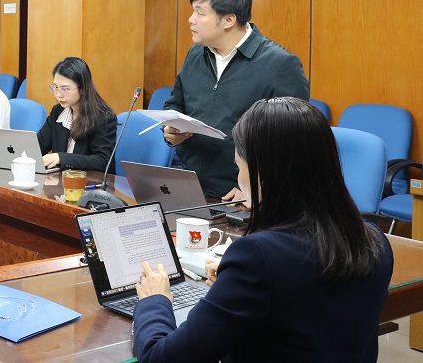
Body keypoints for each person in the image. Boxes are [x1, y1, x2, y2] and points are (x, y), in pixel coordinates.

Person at [133, 97, 393, 362]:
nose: (239, 179)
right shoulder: (374, 241)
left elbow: (160, 358)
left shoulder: (258, 257)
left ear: (263, 173)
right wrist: (236, 285)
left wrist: (155, 300)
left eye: (239, 167)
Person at [162, 0, 309, 200]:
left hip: (240, 195)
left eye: (200, 13)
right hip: (191, 186)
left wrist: (258, 190)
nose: (191, 20)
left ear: (229, 20)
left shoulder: (280, 64)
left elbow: (294, 142)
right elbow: (175, 103)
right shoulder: (196, 54)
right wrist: (170, 130)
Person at [37, 57, 117, 172]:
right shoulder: (58, 111)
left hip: (89, 181)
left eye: (65, 89)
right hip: (61, 179)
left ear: (82, 88)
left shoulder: (104, 118)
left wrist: (61, 158)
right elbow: (39, 145)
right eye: (55, 87)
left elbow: (103, 162)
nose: (58, 95)